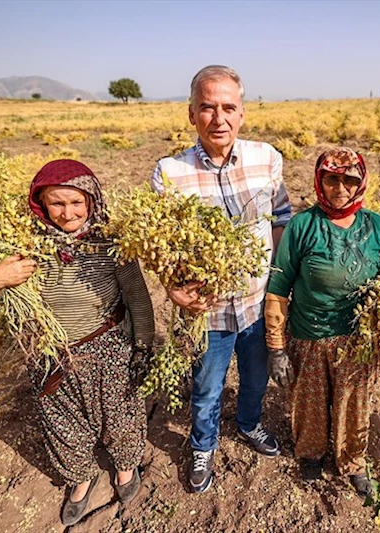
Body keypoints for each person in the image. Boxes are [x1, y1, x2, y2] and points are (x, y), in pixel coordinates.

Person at [0, 159, 155, 526]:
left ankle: (124, 468)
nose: (67, 212)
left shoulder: (111, 241)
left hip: (108, 346)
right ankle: (80, 477)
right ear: (41, 204)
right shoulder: (24, 247)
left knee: (119, 414)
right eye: (57, 203)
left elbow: (137, 298)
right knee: (62, 422)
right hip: (48, 353)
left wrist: (143, 346)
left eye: (76, 203)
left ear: (91, 201)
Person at [151, 65, 292, 493]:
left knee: (255, 379)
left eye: (228, 107)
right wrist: (171, 287)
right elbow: (161, 243)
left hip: (257, 304)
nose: (219, 118)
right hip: (205, 311)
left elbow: (281, 221)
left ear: (242, 113)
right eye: (207, 108)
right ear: (191, 113)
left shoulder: (267, 158)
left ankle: (249, 425)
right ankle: (202, 445)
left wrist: (280, 288)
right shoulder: (169, 172)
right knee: (207, 387)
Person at [264, 147, 380, 496]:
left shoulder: (378, 228)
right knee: (308, 403)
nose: (340, 187)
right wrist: (276, 348)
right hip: (308, 335)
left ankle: (352, 461)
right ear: (319, 181)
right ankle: (311, 455)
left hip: (358, 343)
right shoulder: (303, 226)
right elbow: (279, 286)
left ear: (361, 183)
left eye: (349, 179)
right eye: (331, 179)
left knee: (354, 406)